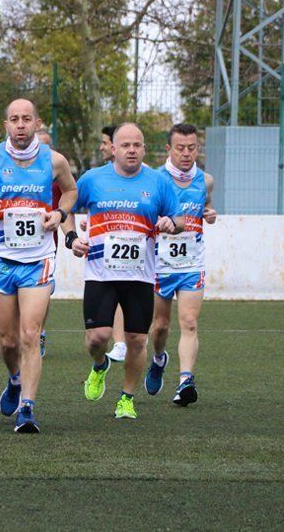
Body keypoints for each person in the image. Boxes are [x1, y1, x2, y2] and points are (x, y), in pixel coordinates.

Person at [60, 123, 183, 420]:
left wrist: (171, 225)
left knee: (137, 341)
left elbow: (179, 219)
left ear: (144, 149)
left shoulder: (158, 182)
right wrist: (71, 238)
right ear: (113, 149)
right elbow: (65, 210)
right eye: (125, 145)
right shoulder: (92, 179)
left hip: (140, 276)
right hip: (100, 273)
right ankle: (100, 365)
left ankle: (126, 398)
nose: (132, 150)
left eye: (137, 145)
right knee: (96, 338)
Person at [0, 98, 77, 433]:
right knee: (8, 341)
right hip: (2, 257)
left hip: (38, 259)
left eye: (26, 119)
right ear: (6, 125)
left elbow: (71, 193)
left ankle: (27, 408)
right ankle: (15, 379)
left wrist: (58, 214)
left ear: (37, 123)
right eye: (14, 119)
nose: (20, 125)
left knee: (30, 334)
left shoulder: (54, 161)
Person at [145, 123, 216, 406]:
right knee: (160, 327)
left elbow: (205, 204)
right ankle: (159, 358)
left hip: (191, 263)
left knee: (189, 322)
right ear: (168, 149)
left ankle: (186, 380)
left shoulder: (205, 180)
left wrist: (209, 214)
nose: (187, 154)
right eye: (180, 148)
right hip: (160, 265)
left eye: (192, 148)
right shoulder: (153, 180)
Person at [97, 124, 129, 363]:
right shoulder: (97, 177)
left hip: (144, 257)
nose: (101, 147)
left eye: (105, 142)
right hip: (110, 254)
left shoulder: (148, 176)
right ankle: (120, 343)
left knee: (160, 323)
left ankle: (134, 343)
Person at [34, 127, 57, 358]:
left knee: (44, 291)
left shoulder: (55, 174)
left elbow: (66, 204)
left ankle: (39, 331)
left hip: (48, 243)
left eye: (46, 145)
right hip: (14, 245)